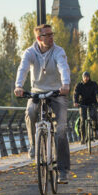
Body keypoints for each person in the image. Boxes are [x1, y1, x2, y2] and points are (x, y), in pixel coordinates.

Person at [14, 24, 72, 184]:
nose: (51, 37)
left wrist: (65, 84)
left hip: (56, 92)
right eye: (47, 35)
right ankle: (34, 145)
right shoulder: (30, 52)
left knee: (60, 129)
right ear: (39, 38)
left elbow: (63, 68)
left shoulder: (58, 51)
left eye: (52, 34)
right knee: (31, 112)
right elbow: (23, 68)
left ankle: (62, 170)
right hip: (37, 91)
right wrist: (18, 86)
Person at [73, 71, 98, 140]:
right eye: (84, 77)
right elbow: (76, 94)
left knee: (94, 116)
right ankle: (83, 137)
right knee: (83, 119)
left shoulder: (94, 84)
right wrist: (75, 102)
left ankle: (95, 131)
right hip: (82, 104)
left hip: (92, 103)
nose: (86, 78)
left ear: (89, 77)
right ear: (82, 78)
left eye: (87, 77)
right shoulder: (79, 85)